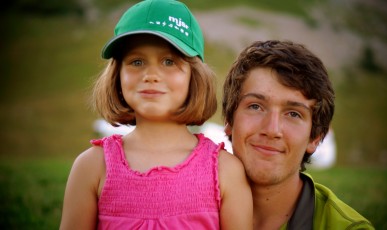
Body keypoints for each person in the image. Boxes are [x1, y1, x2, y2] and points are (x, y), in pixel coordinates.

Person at [60, 0, 252, 229]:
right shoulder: (91, 167)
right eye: (137, 62)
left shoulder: (225, 171)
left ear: (195, 76)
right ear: (117, 76)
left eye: (169, 61)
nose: (151, 75)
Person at [222, 40, 374, 230]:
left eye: (293, 114)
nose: (272, 129)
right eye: (255, 106)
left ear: (315, 137)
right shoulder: (186, 209)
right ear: (229, 119)